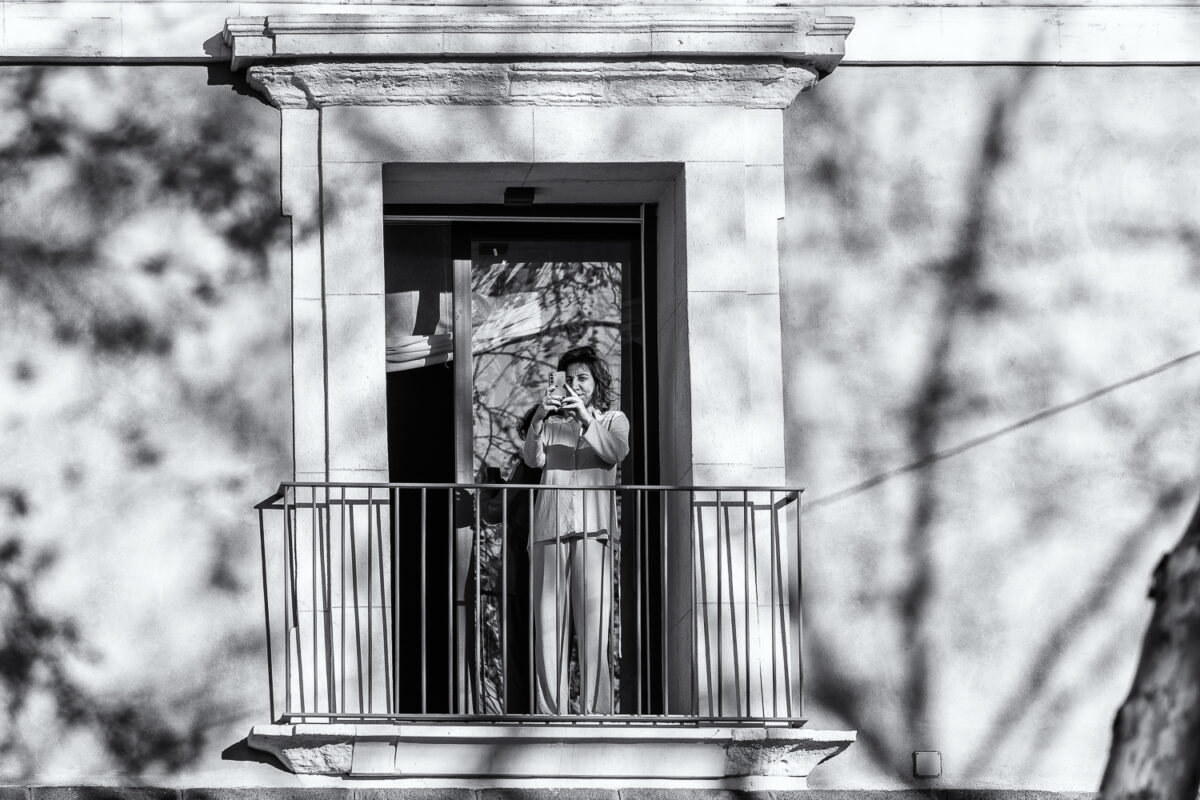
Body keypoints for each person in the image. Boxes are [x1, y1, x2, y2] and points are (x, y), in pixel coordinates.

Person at [522, 344, 630, 714]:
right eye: (568, 379)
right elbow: (532, 459)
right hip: (550, 528)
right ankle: (551, 713)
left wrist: (586, 420)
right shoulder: (552, 424)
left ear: (596, 383)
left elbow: (615, 452)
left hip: (594, 531)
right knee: (549, 626)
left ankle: (598, 712)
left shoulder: (614, 419)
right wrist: (539, 418)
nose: (575, 385)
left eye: (582, 378)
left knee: (595, 625)